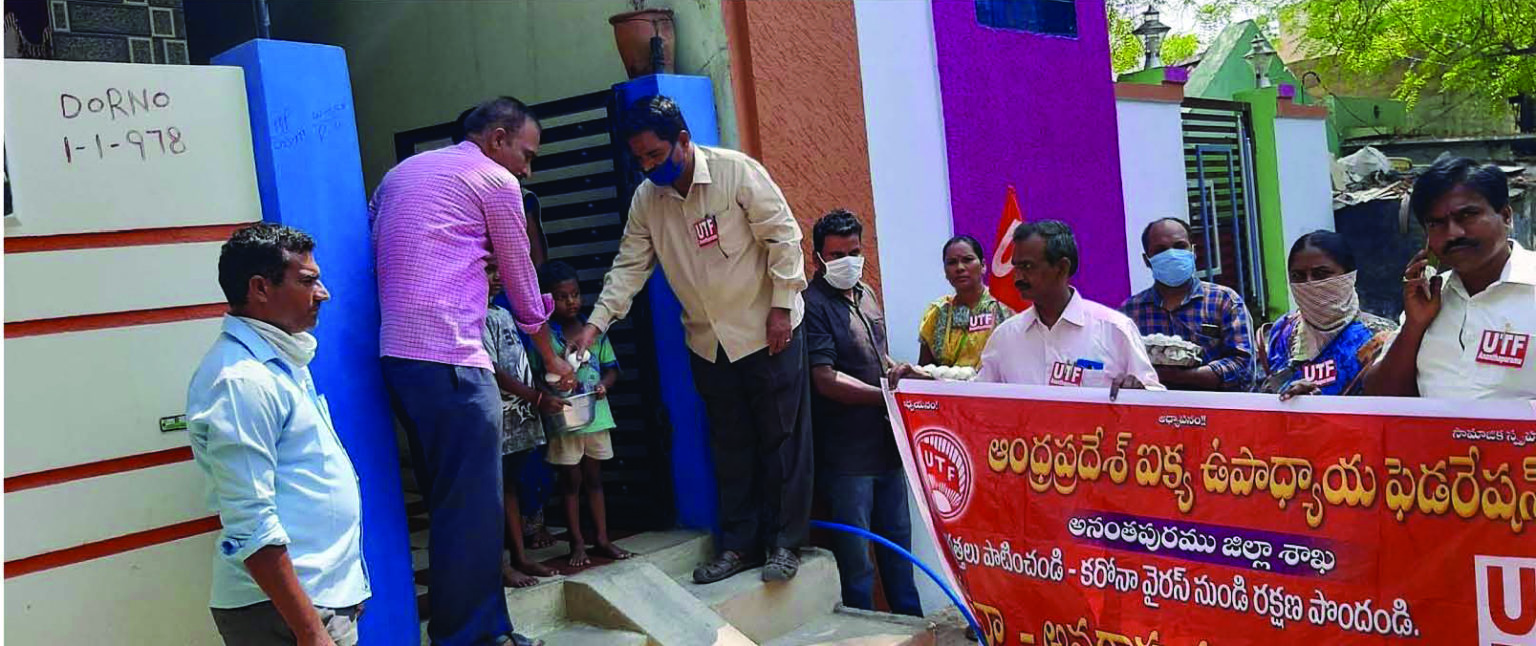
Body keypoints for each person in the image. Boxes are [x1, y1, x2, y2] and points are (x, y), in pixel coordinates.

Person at [570, 95, 813, 584]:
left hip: (768, 330)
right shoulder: (647, 199)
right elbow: (629, 267)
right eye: (639, 159)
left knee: (782, 441)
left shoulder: (735, 172)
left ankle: (785, 546)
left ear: (682, 140)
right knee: (730, 446)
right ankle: (738, 546)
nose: (647, 167)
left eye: (655, 155)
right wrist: (594, 326)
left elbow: (783, 237)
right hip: (707, 342)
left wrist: (782, 307)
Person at [371, 95, 573, 646]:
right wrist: (551, 356)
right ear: (498, 138)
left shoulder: (399, 176)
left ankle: (471, 631)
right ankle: (474, 637)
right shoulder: (495, 181)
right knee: (476, 508)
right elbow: (523, 278)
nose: (527, 171)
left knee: (451, 504)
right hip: (453, 358)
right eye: (527, 155)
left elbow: (391, 251)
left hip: (401, 358)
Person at [187, 224, 367, 646]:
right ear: (260, 289)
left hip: (315, 599)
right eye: (307, 281)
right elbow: (251, 524)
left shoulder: (280, 360)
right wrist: (311, 631)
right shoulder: (242, 381)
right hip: (283, 613)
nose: (323, 293)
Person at [803, 210, 923, 617]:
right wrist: (883, 398)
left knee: (900, 557)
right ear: (818, 257)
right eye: (837, 255)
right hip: (847, 461)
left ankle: (914, 630)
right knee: (857, 568)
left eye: (854, 252)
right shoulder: (811, 305)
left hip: (887, 451)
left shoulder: (865, 293)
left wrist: (900, 372)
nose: (848, 262)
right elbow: (824, 377)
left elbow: (877, 354)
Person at [894, 220, 1159, 393]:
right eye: (1016, 267)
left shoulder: (1114, 329)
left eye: (1027, 267)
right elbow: (978, 393)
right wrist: (927, 381)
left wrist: (1141, 394)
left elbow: (1156, 399)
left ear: (1061, 267)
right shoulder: (1006, 337)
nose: (1017, 277)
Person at [1367, 157, 1536, 399]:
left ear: (1506, 216)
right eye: (1436, 223)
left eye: (1468, 215)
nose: (1453, 233)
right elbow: (1383, 398)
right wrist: (1415, 326)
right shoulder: (1430, 297)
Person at [531, 261, 634, 568]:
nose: (571, 301)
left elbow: (612, 369)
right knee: (571, 481)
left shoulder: (594, 332)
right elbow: (536, 376)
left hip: (596, 417)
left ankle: (601, 538)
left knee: (594, 479)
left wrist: (603, 385)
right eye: (562, 297)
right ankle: (576, 541)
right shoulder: (546, 338)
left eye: (575, 294)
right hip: (565, 421)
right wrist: (549, 392)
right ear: (548, 300)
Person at [482, 262, 563, 588]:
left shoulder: (502, 314)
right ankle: (500, 564)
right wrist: (536, 397)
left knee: (510, 487)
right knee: (492, 492)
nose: (497, 277)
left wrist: (539, 395)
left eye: (498, 269)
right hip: (497, 417)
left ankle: (520, 556)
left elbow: (520, 363)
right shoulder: (473, 317)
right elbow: (492, 370)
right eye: (488, 270)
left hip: (520, 417)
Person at [1255, 231, 1398, 399]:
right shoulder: (1282, 332)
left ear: (1349, 276)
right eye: (1297, 276)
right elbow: (1259, 397)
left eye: (1321, 274)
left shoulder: (1381, 337)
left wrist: (1321, 403)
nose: (1309, 284)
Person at [1119, 218, 1254, 391]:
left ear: (1193, 252)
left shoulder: (1225, 301)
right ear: (1147, 260)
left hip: (1212, 406)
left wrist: (1177, 376)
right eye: (1160, 250)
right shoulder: (1130, 312)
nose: (1172, 255)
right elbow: (1118, 368)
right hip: (1154, 407)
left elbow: (1243, 368)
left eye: (1180, 246)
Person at [918, 235, 1015, 368]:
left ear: (983, 266)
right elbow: (923, 370)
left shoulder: (1004, 307)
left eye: (967, 260)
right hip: (945, 382)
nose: (960, 268)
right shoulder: (937, 312)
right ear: (945, 271)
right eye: (952, 262)